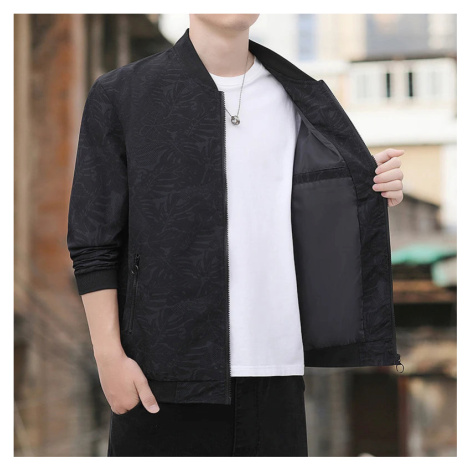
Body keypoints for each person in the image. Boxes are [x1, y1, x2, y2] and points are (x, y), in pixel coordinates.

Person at [67, 14, 405, 457]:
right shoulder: (123, 94)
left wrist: (371, 187)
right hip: (162, 375)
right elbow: (93, 241)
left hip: (276, 375)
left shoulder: (299, 95)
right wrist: (108, 356)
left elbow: (313, 210)